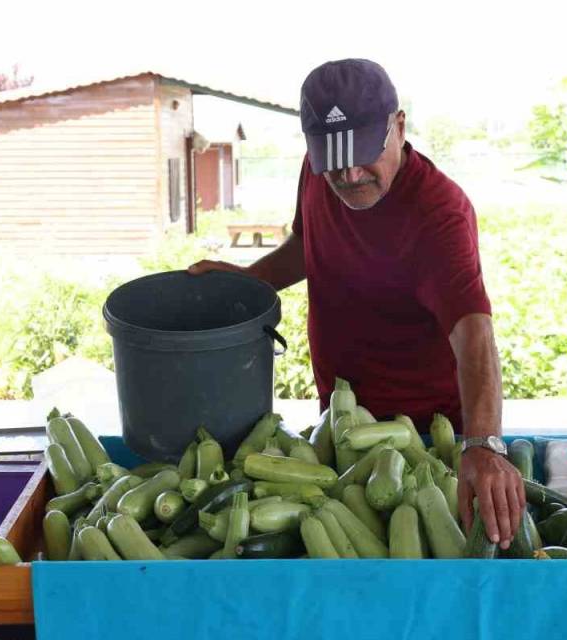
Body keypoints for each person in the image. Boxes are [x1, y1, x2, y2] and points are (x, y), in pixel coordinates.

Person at [189, 59, 524, 549]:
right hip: (341, 425)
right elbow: (308, 243)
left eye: (364, 153)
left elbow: (473, 331)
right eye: (332, 158)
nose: (348, 173)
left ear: (400, 127)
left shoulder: (439, 213)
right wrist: (248, 281)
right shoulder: (316, 170)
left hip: (424, 440)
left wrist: (483, 445)